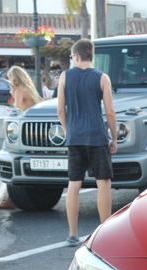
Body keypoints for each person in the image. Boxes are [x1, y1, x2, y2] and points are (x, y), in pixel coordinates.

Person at [57, 38, 118, 246]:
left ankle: (72, 234)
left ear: (76, 56)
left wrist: (69, 131)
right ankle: (104, 232)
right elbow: (110, 111)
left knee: (74, 184)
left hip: (75, 138)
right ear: (91, 56)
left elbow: (60, 110)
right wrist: (114, 137)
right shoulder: (102, 78)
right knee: (103, 183)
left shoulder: (65, 76)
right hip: (97, 136)